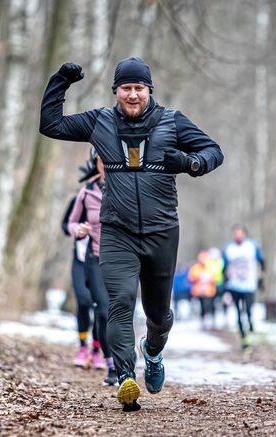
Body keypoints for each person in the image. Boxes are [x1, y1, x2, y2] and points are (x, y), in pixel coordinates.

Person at [39, 57, 224, 411]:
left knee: (158, 315)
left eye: (139, 88)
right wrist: (61, 81)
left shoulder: (172, 121)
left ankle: (152, 352)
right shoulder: (100, 121)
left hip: (161, 232)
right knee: (119, 303)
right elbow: (51, 125)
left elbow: (214, 152)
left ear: (149, 90)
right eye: (126, 88)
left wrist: (189, 163)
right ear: (116, 91)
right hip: (117, 231)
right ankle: (126, 377)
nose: (133, 95)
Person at [67, 148, 117, 386]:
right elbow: (71, 222)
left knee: (120, 310)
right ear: (96, 163)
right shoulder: (87, 192)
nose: (105, 165)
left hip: (122, 259)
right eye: (101, 161)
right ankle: (110, 364)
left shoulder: (126, 188)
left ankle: (123, 358)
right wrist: (78, 230)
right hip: (95, 257)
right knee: (102, 310)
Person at [62, 158, 104, 371]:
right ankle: (82, 346)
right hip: (80, 257)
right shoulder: (83, 194)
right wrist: (78, 229)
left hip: (102, 257)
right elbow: (65, 224)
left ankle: (97, 350)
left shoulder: (115, 194)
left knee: (99, 305)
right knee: (83, 300)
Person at [222, 225, 265, 349]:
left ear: (245, 234)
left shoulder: (252, 246)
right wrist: (225, 286)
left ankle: (251, 323)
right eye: (236, 233)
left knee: (248, 310)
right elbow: (224, 267)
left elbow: (262, 262)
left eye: (240, 233)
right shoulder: (228, 248)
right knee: (238, 312)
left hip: (249, 285)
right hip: (234, 285)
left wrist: (261, 278)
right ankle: (244, 338)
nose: (238, 236)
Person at [188, 250, 217, 330]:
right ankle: (203, 322)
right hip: (199, 292)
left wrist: (209, 279)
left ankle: (210, 321)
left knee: (209, 306)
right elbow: (190, 278)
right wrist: (198, 277)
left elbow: (215, 278)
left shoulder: (211, 267)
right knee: (202, 307)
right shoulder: (195, 268)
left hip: (209, 292)